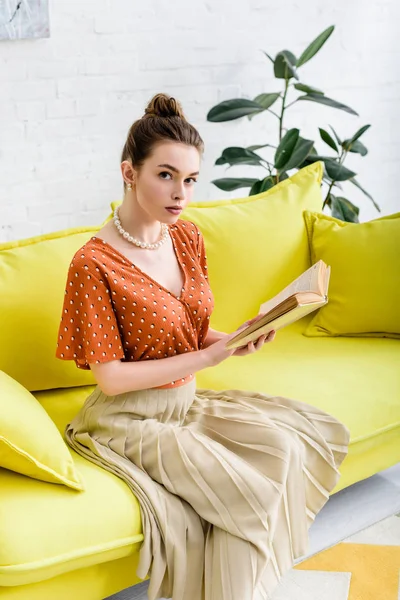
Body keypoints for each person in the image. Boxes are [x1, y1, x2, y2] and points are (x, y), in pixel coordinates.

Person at [56, 93, 350, 600]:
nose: (181, 194)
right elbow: (111, 377)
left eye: (190, 179)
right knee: (248, 491)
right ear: (129, 172)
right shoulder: (93, 263)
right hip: (128, 417)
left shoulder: (186, 237)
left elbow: (189, 329)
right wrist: (207, 356)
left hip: (185, 402)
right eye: (165, 175)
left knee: (286, 446)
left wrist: (234, 339)